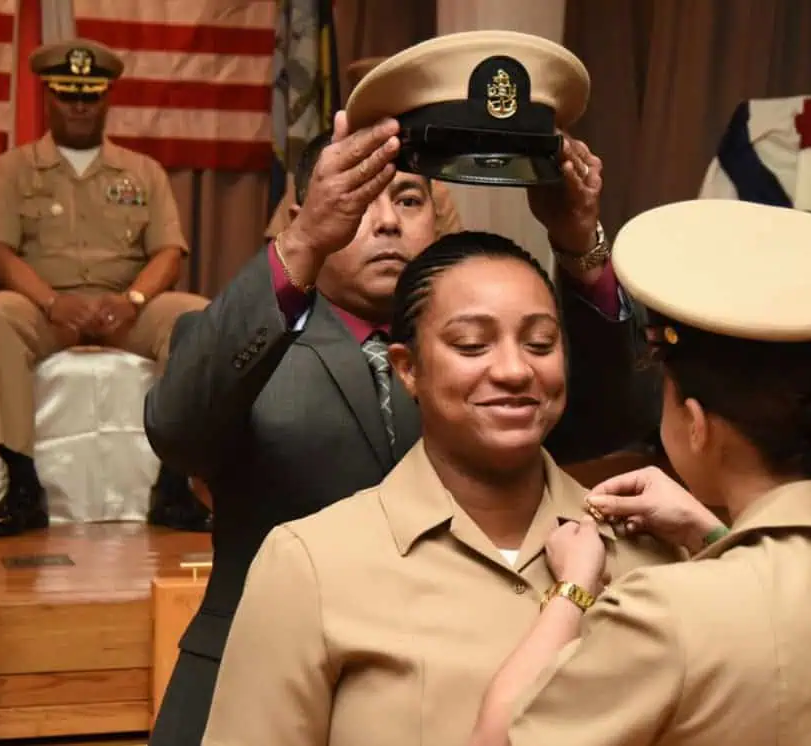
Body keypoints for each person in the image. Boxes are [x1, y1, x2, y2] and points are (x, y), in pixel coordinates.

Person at [144, 30, 657, 746]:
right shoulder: (253, 335)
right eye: (362, 200)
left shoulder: (496, 361)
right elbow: (177, 425)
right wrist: (302, 250)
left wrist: (580, 249)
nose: (385, 220)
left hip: (472, 683)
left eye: (409, 198)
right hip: (258, 691)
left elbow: (617, 420)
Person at [468, 199, 811, 746]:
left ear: (695, 423)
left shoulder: (669, 613)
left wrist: (574, 588)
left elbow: (497, 741)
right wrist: (716, 535)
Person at [200, 231, 682, 746]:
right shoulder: (311, 564)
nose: (515, 370)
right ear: (408, 370)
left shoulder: (645, 550)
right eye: (472, 345)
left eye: (540, 343)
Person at [0, 38, 209, 538]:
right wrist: (51, 302)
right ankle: (22, 485)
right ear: (48, 98)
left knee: (196, 318)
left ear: (106, 99)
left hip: (125, 311)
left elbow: (168, 253)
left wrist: (133, 300)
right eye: (67, 94)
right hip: (44, 308)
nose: (79, 106)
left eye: (89, 96)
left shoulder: (144, 172)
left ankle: (175, 485)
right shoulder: (12, 169)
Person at [264, 55, 463, 240]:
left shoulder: (430, 181)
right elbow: (284, 257)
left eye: (408, 202)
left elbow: (452, 260)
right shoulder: (326, 173)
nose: (388, 220)